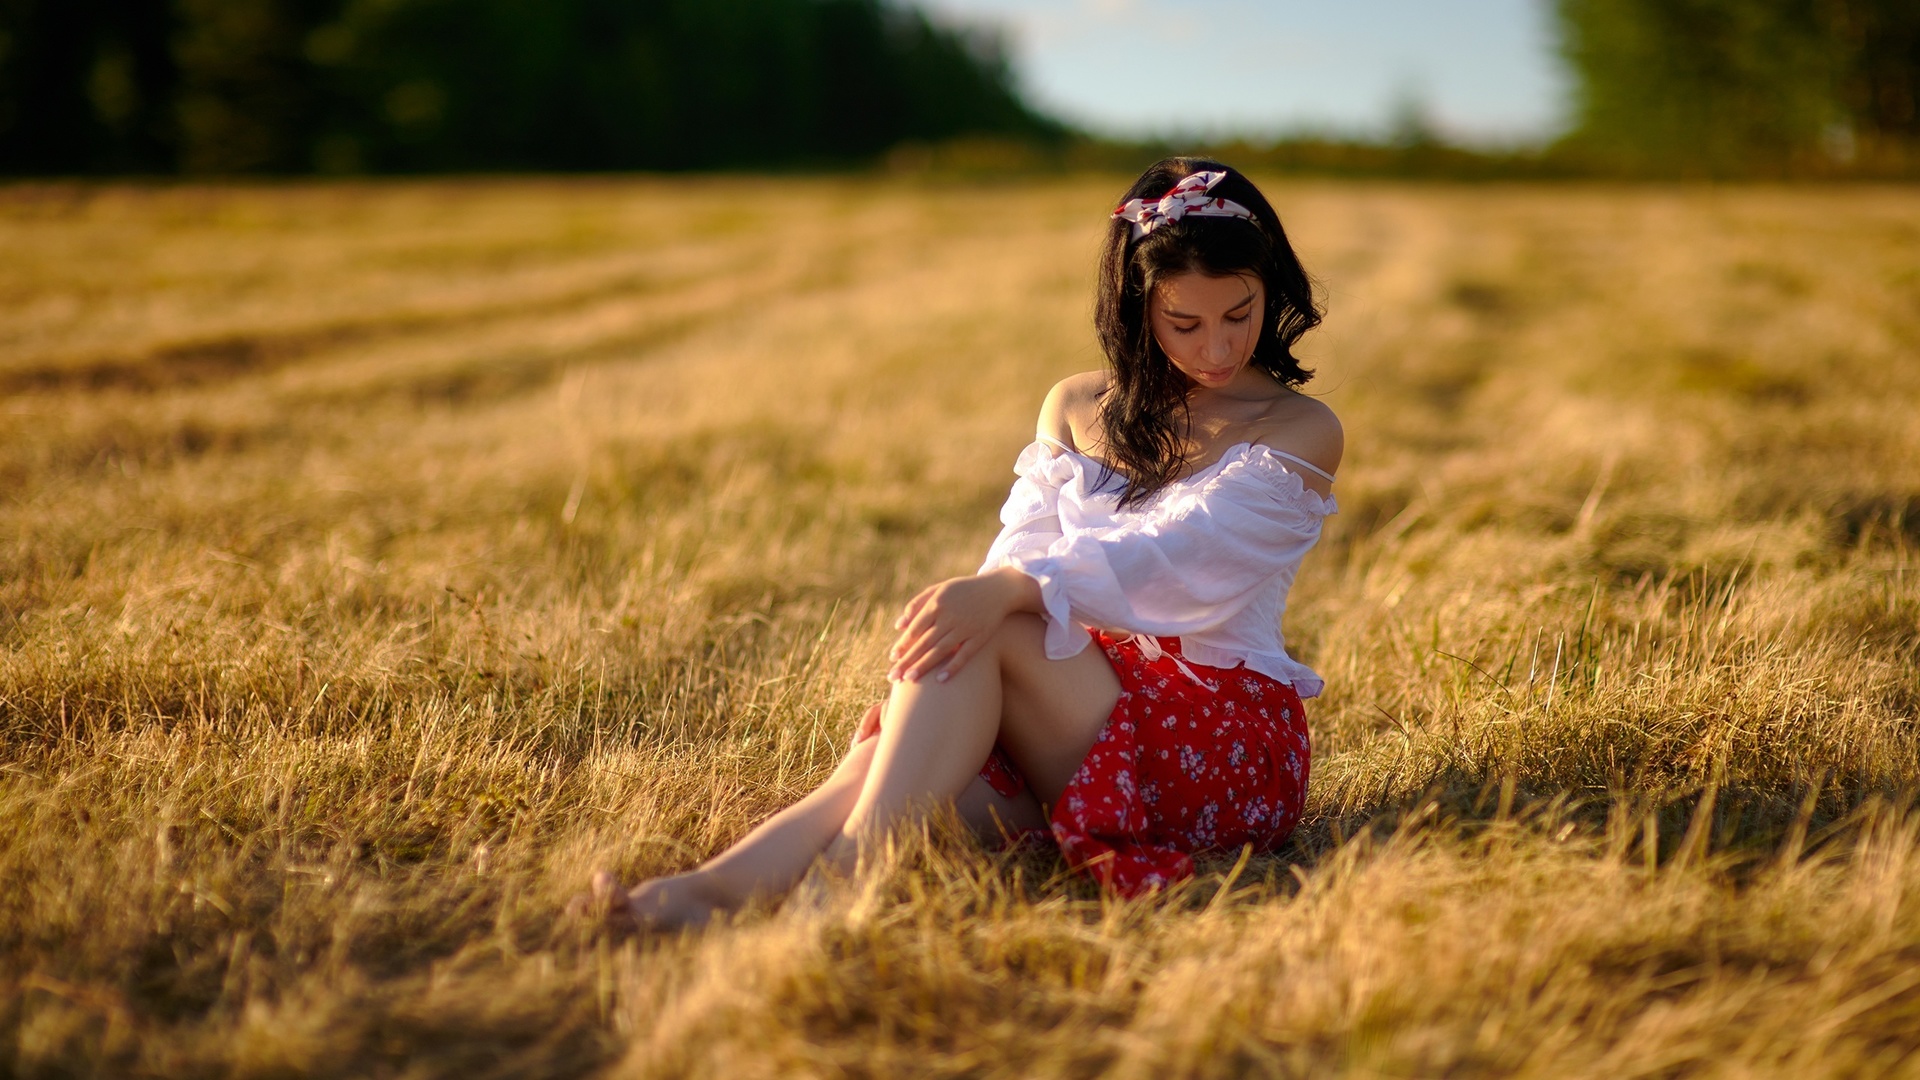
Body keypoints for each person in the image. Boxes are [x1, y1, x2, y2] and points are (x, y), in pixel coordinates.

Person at [590, 157, 1341, 928]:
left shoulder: (1300, 430)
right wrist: (1002, 595)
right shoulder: (1077, 404)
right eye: (1185, 323)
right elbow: (1021, 550)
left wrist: (1010, 592)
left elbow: (1175, 560)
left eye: (1239, 315)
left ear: (1269, 292)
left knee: (1000, 623)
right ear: (1136, 306)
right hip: (1070, 708)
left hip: (1217, 744)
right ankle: (709, 891)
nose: (1216, 348)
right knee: (897, 774)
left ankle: (840, 887)